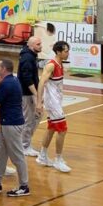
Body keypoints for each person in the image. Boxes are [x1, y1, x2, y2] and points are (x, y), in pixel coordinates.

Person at [0, 58, 30, 197]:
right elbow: (3, 96)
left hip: (11, 123)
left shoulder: (6, 83)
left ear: (4, 69)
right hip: (8, 123)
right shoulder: (13, 80)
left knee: (17, 155)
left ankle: (24, 186)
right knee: (0, 152)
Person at [36, 41, 72, 173]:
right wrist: (39, 102)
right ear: (58, 52)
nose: (68, 53)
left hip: (56, 100)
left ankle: (42, 156)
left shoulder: (60, 63)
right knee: (62, 129)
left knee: (51, 128)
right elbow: (41, 83)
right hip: (52, 102)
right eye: (66, 51)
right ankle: (58, 159)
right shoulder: (51, 65)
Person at [17, 35, 43, 156]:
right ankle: (24, 146)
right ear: (31, 46)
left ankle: (25, 142)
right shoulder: (27, 58)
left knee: (37, 116)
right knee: (29, 119)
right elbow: (27, 78)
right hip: (26, 93)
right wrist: (36, 94)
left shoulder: (31, 55)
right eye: (38, 44)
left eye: (40, 43)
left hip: (30, 92)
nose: (41, 46)